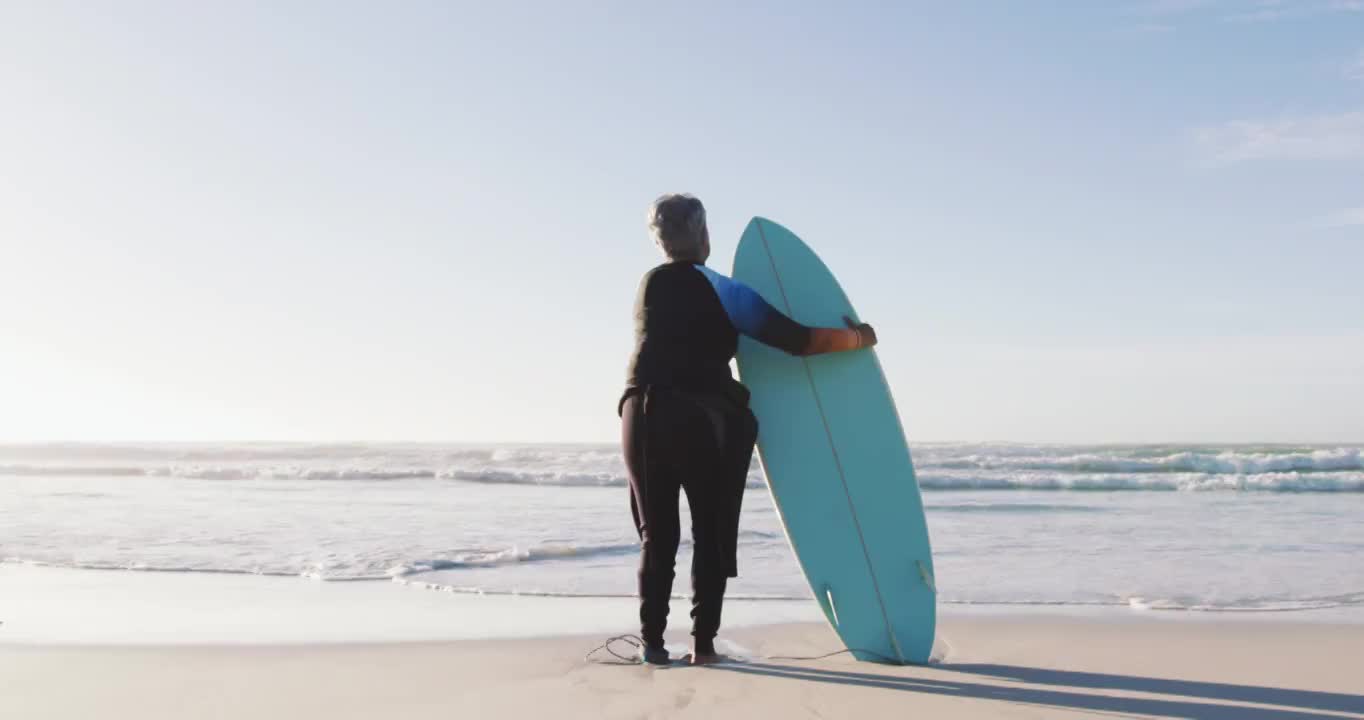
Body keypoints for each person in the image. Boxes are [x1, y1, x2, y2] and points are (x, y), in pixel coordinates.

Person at [619, 193, 877, 666]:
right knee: (710, 530)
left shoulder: (647, 286)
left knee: (658, 535)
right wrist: (858, 337)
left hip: (641, 415)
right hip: (700, 419)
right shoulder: (722, 288)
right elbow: (799, 341)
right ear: (701, 234)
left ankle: (652, 645)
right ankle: (702, 646)